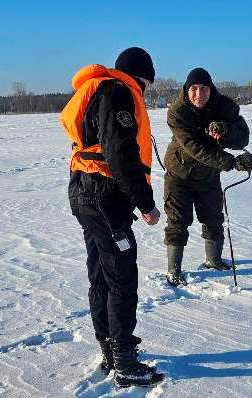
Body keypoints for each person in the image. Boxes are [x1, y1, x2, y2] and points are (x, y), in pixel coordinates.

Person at [60, 47, 163, 387]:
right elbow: (120, 154)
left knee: (102, 275)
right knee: (120, 277)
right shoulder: (118, 92)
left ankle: (109, 348)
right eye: (148, 82)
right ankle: (123, 359)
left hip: (86, 193)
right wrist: (145, 204)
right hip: (103, 197)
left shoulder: (100, 89)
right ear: (142, 76)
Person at [163, 67, 252, 286]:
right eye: (194, 88)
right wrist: (231, 163)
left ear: (211, 89)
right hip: (179, 175)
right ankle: (173, 270)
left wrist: (225, 131)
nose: (199, 94)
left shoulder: (224, 106)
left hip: (209, 176)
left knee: (213, 217)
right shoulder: (177, 112)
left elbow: (243, 139)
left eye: (204, 88)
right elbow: (195, 147)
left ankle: (213, 260)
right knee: (177, 221)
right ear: (187, 90)